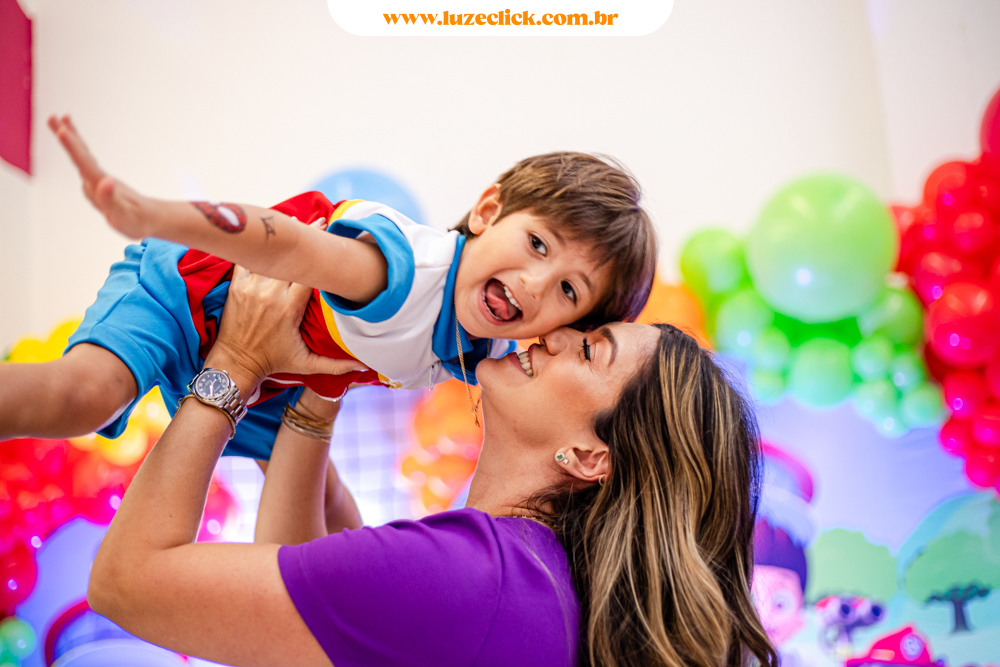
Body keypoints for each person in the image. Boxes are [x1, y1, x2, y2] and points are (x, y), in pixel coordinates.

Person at [86, 266, 778, 667]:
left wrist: (235, 365)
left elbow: (126, 583)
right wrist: (322, 388)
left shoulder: (474, 577)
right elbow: (308, 608)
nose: (555, 334)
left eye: (591, 350)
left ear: (592, 456)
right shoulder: (530, 584)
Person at [0, 115, 656, 462]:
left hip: (269, 379)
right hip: (184, 297)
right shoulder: (402, 273)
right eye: (537, 243)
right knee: (86, 396)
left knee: (327, 507)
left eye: (568, 290)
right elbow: (283, 243)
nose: (536, 284)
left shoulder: (490, 355)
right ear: (487, 210)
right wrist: (155, 214)